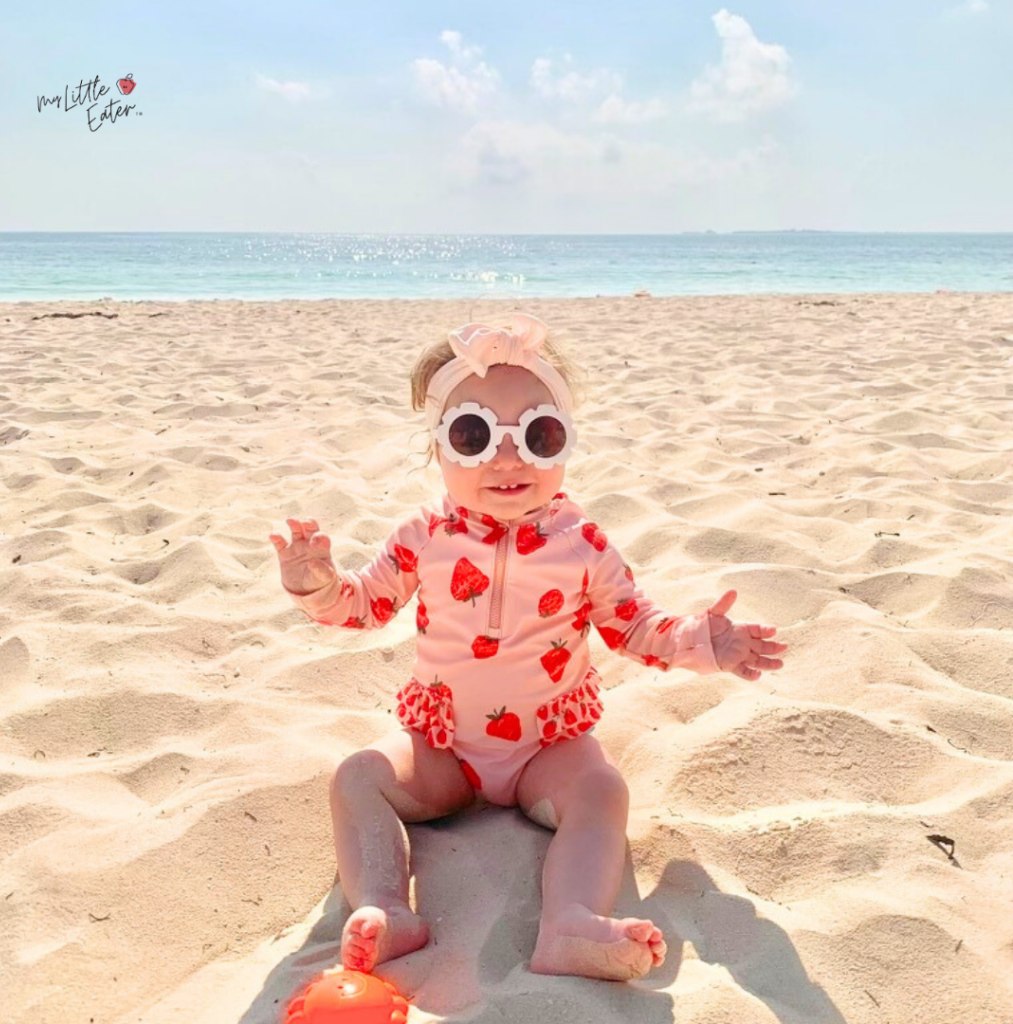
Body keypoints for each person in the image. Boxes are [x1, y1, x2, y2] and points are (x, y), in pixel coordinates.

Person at [269, 312, 788, 982]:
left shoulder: (584, 544)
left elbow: (633, 626)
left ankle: (570, 922)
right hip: (444, 746)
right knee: (358, 777)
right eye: (474, 435)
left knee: (601, 788)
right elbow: (362, 608)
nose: (507, 458)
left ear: (565, 444)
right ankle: (385, 908)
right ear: (439, 447)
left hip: (547, 747)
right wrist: (316, 586)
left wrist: (700, 640)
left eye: (538, 435)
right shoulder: (421, 537)